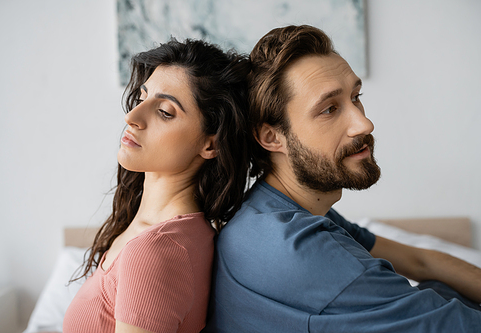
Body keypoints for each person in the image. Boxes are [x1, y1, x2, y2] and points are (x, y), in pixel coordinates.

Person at [204, 25, 481, 332]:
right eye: (329, 109)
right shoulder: (300, 249)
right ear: (272, 137)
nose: (365, 123)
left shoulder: (274, 211)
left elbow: (420, 261)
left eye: (356, 96)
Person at [63, 38, 250, 333]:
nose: (132, 116)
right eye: (142, 97)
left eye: (165, 111)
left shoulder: (156, 250)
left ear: (210, 143)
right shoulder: (173, 232)